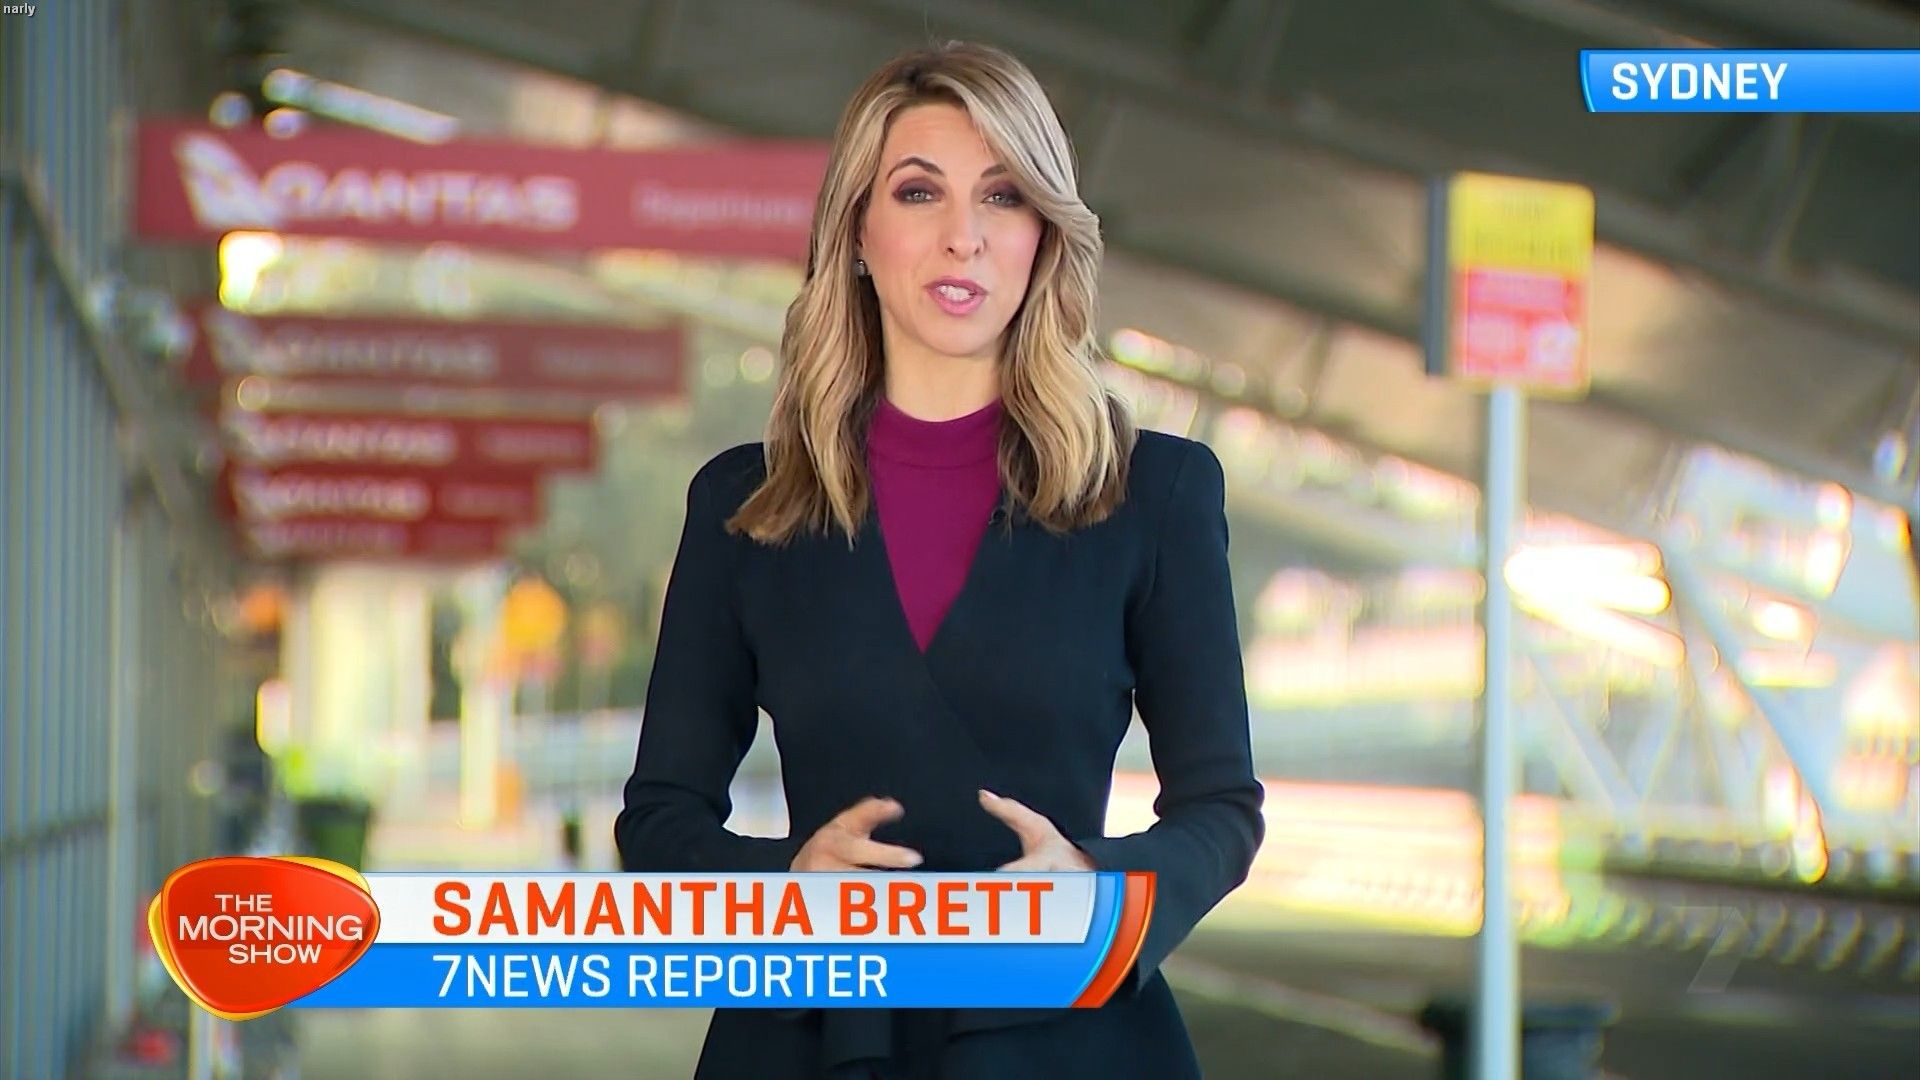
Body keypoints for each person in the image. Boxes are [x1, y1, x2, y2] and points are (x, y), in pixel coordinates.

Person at [615, 41, 1265, 1080]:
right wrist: (781, 893)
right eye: (920, 193)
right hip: (815, 1035)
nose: (965, 235)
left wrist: (1095, 890)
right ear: (857, 233)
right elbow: (660, 821)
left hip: (1061, 1035)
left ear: (1044, 236)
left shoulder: (1158, 495)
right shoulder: (743, 507)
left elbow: (1220, 810)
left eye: (1003, 196)